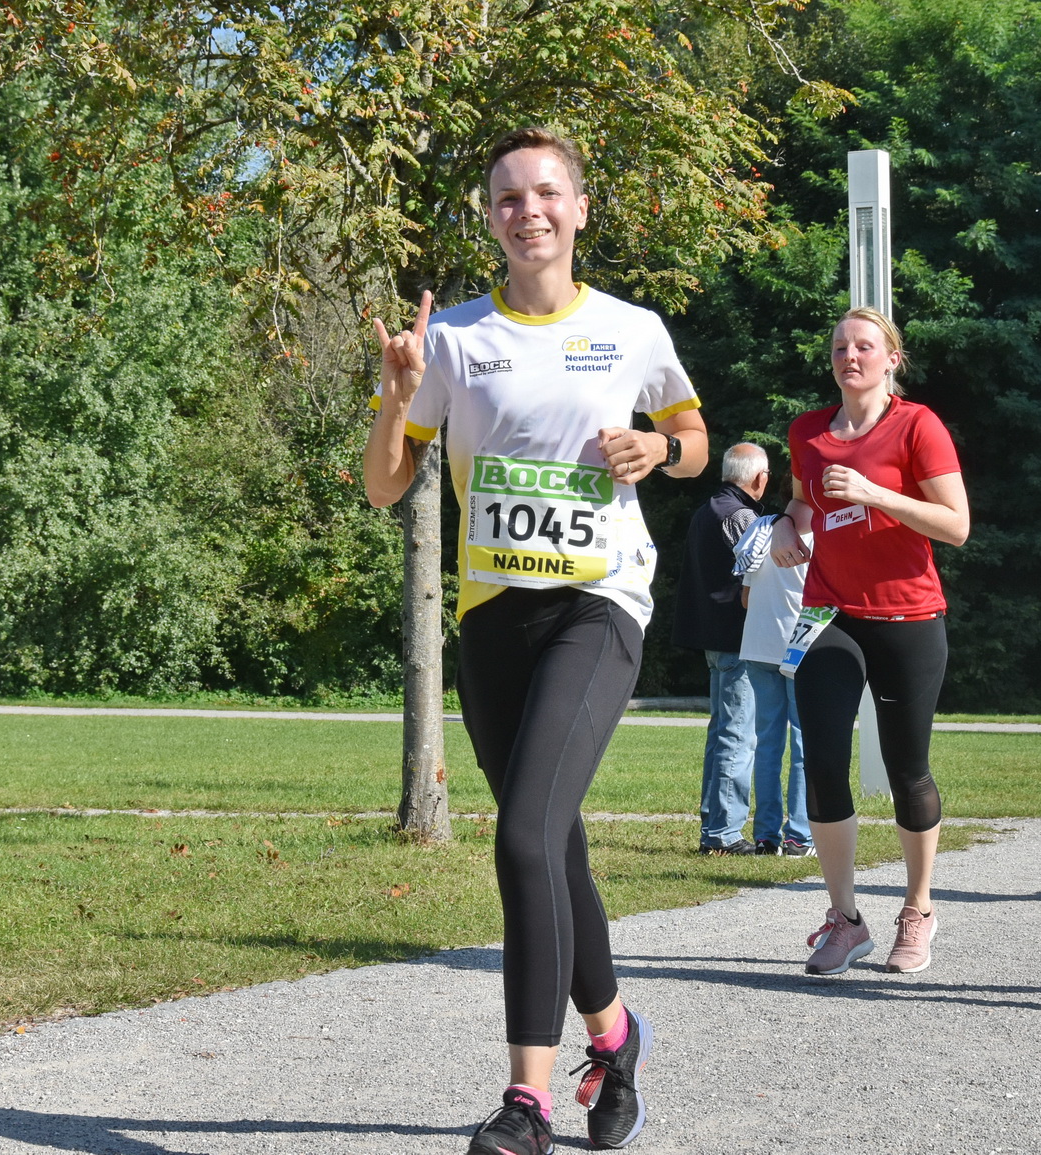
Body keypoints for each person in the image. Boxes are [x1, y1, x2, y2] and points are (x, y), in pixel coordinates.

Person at [363, 126, 709, 1155]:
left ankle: (526, 1101)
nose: (530, 212)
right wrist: (392, 398)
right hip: (493, 620)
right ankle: (615, 1036)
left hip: (600, 608)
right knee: (550, 844)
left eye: (547, 194)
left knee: (520, 838)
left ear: (580, 210)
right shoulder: (455, 341)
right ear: (490, 219)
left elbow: (692, 444)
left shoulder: (633, 331)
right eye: (509, 198)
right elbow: (387, 485)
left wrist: (655, 445)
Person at [770, 306, 969, 976]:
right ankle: (846, 917)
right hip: (829, 614)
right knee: (822, 758)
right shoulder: (806, 431)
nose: (849, 356)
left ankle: (917, 909)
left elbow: (955, 524)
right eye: (839, 347)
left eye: (864, 347)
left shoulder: (918, 425)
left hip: (908, 616)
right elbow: (805, 501)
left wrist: (874, 492)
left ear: (892, 359)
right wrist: (785, 526)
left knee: (908, 767)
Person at [673, 443, 770, 855]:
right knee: (738, 735)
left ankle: (714, 826)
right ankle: (723, 834)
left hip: (711, 635)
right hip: (736, 638)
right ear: (758, 478)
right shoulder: (742, 516)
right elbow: (762, 570)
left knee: (721, 733)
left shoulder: (708, 507)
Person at [734, 507, 814, 857]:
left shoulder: (763, 531)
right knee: (803, 743)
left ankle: (767, 837)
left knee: (767, 744)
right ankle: (799, 835)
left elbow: (746, 597)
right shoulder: (822, 535)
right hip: (801, 647)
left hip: (757, 642)